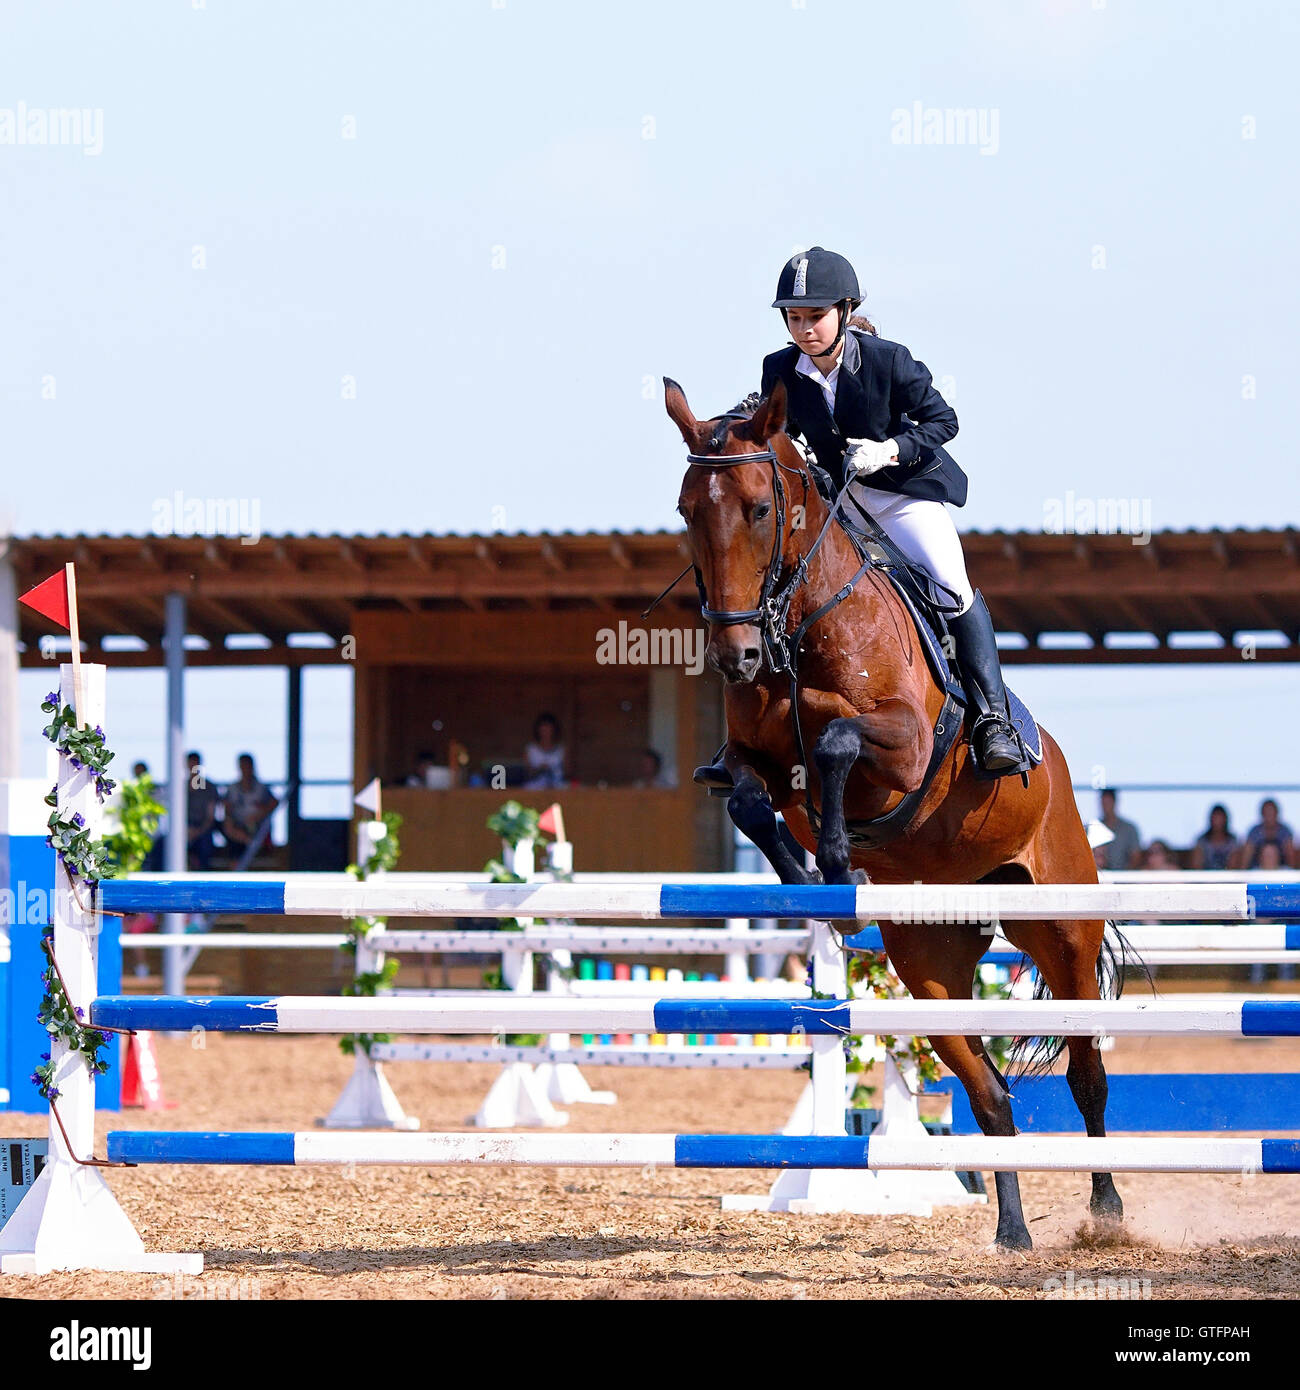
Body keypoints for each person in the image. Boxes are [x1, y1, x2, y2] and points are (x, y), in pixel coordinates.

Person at [759, 247, 1024, 775]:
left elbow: (943, 421)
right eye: (795, 318)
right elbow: (775, 437)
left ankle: (994, 720)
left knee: (951, 583)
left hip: (902, 497)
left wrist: (891, 449)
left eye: (815, 316)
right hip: (838, 504)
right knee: (772, 586)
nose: (804, 329)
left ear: (844, 310)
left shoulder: (888, 359)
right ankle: (756, 731)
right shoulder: (778, 369)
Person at [221, 754, 279, 854]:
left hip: (255, 826)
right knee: (227, 829)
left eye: (248, 766)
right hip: (237, 828)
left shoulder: (261, 788)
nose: (246, 769)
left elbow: (275, 802)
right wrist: (229, 821)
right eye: (243, 766)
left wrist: (261, 812)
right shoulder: (232, 789)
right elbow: (226, 807)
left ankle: (256, 845)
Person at [186, 750, 219, 870]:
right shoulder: (179, 787)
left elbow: (211, 817)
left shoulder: (209, 787)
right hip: (184, 829)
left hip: (203, 828)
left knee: (205, 844)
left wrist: (198, 831)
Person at [1242, 798, 1296, 870]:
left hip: (1281, 869)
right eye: (1266, 812)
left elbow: (1291, 855)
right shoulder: (1255, 831)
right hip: (1258, 869)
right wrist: (1242, 874)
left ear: (1277, 813)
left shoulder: (1285, 831)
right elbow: (1246, 855)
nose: (1269, 815)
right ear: (1262, 814)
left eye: (1271, 812)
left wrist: (1293, 874)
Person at [1096, 789, 1141, 871]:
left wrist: (1125, 877)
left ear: (1114, 803)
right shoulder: (1094, 828)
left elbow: (1136, 856)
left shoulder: (1129, 828)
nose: (1105, 807)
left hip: (1125, 879)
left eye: (1108, 803)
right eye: (1103, 803)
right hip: (1100, 878)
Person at [1190, 804, 1240, 871]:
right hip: (1205, 879)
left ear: (1225, 820)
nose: (1218, 822)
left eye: (1220, 818)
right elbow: (1196, 866)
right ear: (1210, 819)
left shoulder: (1233, 841)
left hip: (1227, 879)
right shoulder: (1202, 841)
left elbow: (1233, 867)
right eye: (1215, 818)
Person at [523, 714, 566, 789]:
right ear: (538, 729)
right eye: (543, 727)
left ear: (554, 729)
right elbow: (526, 773)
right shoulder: (531, 749)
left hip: (557, 787)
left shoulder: (561, 750)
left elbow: (567, 773)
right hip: (534, 787)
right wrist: (540, 769)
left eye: (548, 727)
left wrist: (553, 771)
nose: (546, 731)